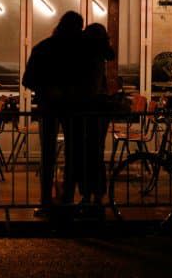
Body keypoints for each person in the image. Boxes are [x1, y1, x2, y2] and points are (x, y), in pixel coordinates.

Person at [22, 10, 84, 218]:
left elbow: (28, 79)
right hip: (72, 107)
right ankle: (67, 198)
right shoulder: (78, 51)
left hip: (48, 107)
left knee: (48, 154)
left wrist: (46, 89)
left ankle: (46, 200)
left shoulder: (43, 48)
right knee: (72, 154)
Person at [75, 22, 116, 210]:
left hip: (89, 110)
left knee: (86, 154)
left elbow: (89, 87)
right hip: (100, 111)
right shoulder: (100, 57)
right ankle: (97, 194)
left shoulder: (88, 58)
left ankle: (87, 194)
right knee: (95, 153)